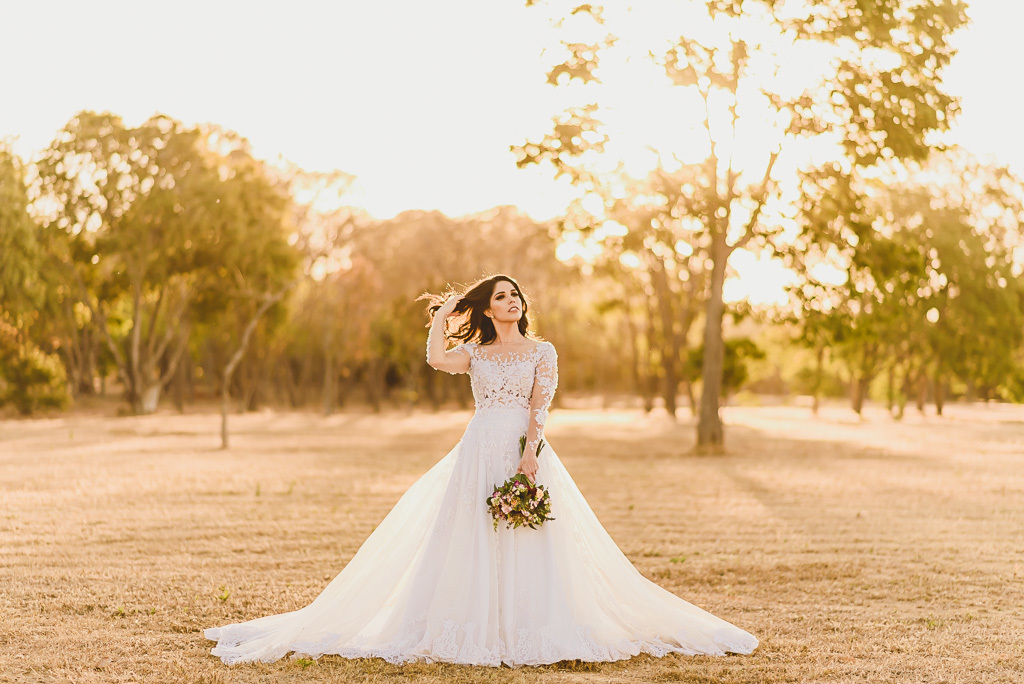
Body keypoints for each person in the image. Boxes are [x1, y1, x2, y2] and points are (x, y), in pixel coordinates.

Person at [204, 274, 758, 666]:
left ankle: (530, 626)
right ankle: (470, 623)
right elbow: (435, 358)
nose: (511, 302)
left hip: (521, 446)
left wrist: (530, 454)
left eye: (515, 295)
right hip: (477, 448)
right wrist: (445, 316)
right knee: (471, 532)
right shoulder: (480, 353)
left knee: (533, 534)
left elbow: (540, 406)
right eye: (500, 297)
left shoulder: (543, 351)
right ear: (488, 309)